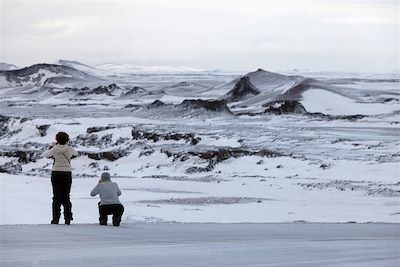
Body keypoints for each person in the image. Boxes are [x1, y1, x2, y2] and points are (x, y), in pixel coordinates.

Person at [43, 132, 78, 225]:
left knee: (56, 197)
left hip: (56, 173)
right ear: (67, 140)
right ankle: (67, 218)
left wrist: (53, 146)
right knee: (66, 196)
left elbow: (46, 155)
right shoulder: (69, 149)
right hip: (66, 173)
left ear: (57, 139)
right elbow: (76, 153)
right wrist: (67, 146)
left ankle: (55, 219)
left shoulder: (54, 149)